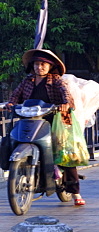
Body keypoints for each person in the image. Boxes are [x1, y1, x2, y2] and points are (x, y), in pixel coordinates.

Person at [9, 49, 85, 205]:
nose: (39, 67)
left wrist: (65, 104)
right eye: (36, 64)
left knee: (64, 154)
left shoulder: (56, 80)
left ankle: (76, 193)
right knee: (14, 140)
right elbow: (15, 95)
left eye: (43, 64)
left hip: (54, 121)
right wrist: (10, 104)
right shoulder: (27, 81)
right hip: (31, 119)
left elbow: (67, 96)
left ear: (50, 67)